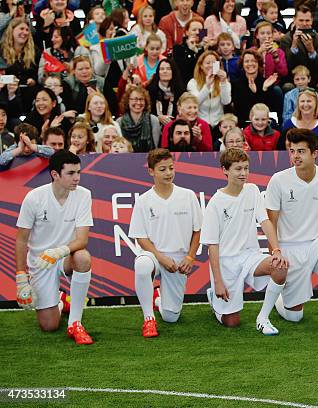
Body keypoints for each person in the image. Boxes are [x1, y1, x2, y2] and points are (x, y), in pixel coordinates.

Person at [265, 128, 318, 331]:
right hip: (288, 248)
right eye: (292, 151)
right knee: (295, 316)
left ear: (315, 153)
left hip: (316, 243)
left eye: (301, 151)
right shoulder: (278, 179)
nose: (295, 156)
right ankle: (281, 298)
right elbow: (271, 221)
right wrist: (275, 251)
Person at [202, 148, 288, 334]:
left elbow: (265, 222)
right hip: (226, 264)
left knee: (280, 267)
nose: (243, 174)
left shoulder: (252, 190)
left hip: (250, 256)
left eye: (246, 168)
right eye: (238, 169)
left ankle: (263, 318)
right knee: (232, 322)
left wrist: (277, 251)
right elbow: (212, 247)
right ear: (225, 170)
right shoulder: (215, 203)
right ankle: (215, 302)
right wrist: (217, 281)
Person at [15, 150, 94, 344]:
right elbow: (21, 240)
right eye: (71, 173)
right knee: (49, 326)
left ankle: (75, 323)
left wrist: (59, 251)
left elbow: (82, 240)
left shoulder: (84, 195)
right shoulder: (34, 198)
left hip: (66, 256)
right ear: (55, 175)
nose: (77, 178)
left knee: (83, 258)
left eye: (79, 172)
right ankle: (60, 301)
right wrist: (20, 276)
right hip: (40, 263)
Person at [128, 148, 202, 337]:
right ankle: (148, 319)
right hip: (154, 255)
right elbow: (140, 238)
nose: (168, 173)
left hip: (179, 260)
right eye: (162, 169)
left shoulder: (187, 195)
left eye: (171, 168)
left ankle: (158, 298)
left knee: (171, 316)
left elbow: (197, 230)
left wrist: (190, 257)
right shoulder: (144, 200)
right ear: (151, 171)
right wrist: (160, 258)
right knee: (142, 265)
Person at [280, 6, 318, 87]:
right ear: (294, 20)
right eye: (301, 20)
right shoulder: (286, 39)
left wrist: (311, 50)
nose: (304, 24)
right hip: (293, 80)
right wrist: (294, 45)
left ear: (312, 21)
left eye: (307, 20)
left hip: (313, 79)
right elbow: (287, 66)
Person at [230, 49, 277, 125]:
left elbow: (267, 110)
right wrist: (253, 92)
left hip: (263, 123)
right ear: (242, 64)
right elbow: (240, 109)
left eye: (254, 61)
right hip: (244, 124)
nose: (250, 64)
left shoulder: (266, 83)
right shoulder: (235, 84)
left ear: (258, 63)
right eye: (247, 61)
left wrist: (263, 89)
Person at [187, 51, 232, 127]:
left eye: (214, 63)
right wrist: (207, 86)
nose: (211, 65)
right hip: (200, 124)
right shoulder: (193, 83)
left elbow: (226, 102)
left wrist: (224, 82)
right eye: (208, 63)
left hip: (218, 124)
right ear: (201, 65)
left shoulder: (223, 82)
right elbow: (195, 103)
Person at [117, 86, 161, 153]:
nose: (138, 103)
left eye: (141, 99)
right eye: (135, 99)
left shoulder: (153, 120)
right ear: (128, 101)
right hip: (125, 160)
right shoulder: (119, 122)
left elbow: (156, 147)